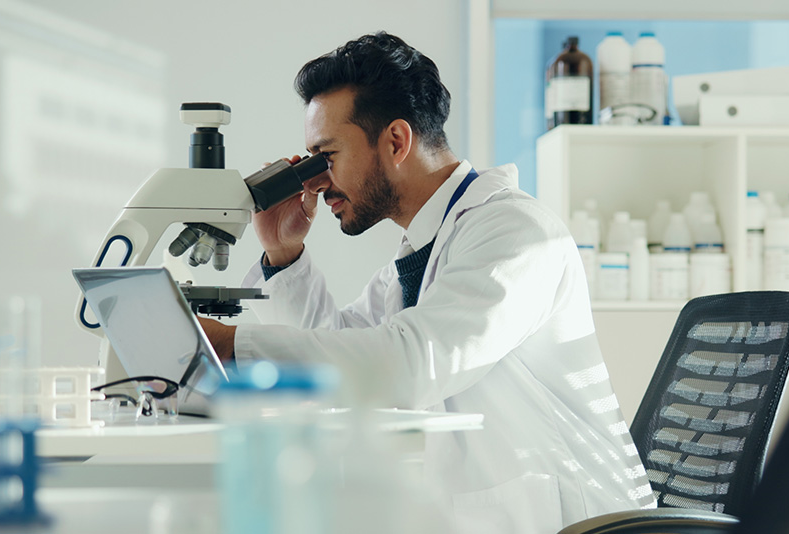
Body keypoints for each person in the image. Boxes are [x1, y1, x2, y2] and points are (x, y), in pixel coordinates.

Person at [199, 31, 653, 533]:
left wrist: (232, 347)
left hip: (575, 523)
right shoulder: (423, 250)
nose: (315, 181)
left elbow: (408, 363)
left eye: (325, 157)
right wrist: (283, 252)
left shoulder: (517, 234)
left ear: (396, 141)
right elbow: (346, 350)